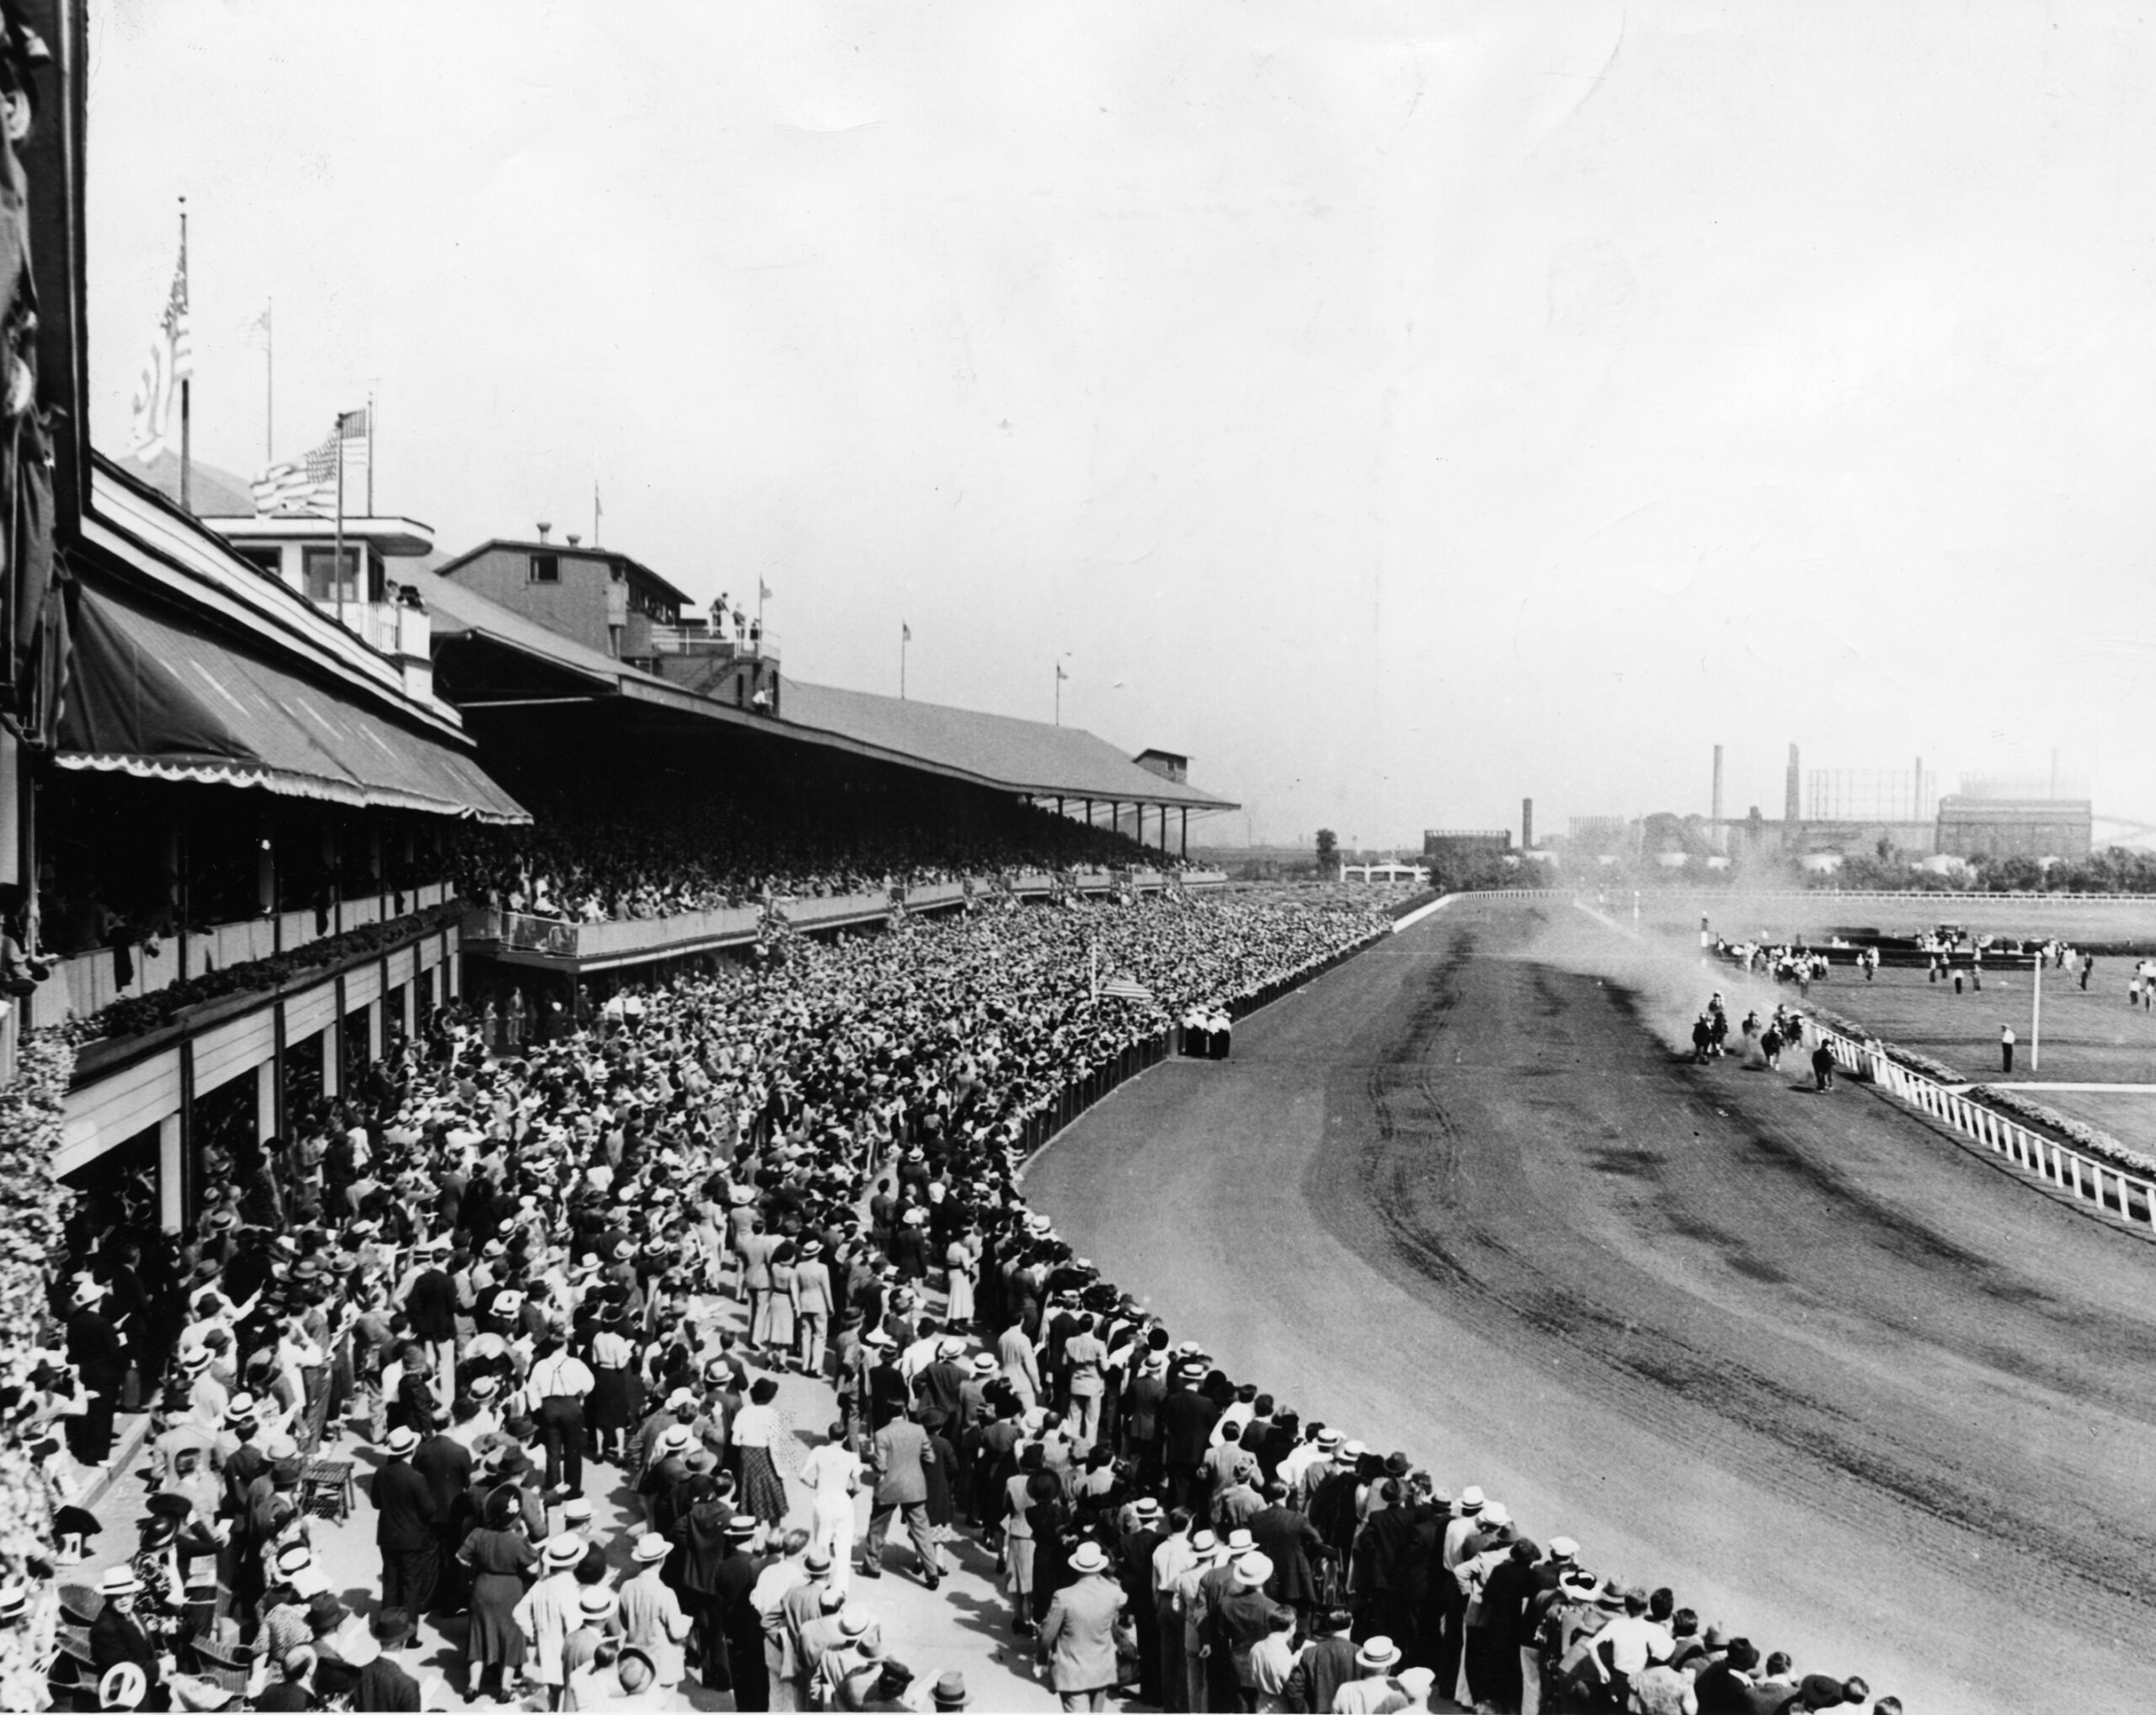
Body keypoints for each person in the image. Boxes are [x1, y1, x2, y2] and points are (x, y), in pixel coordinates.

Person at [1039, 1538, 1127, 1712]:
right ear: (1100, 1567)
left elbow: (1046, 1635)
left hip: (1072, 1671)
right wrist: (1103, 1578)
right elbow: (1123, 1598)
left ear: (1076, 1567)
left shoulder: (1063, 1597)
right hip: (1102, 1669)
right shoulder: (1113, 1594)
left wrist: (1042, 1659)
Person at [863, 1402, 941, 1588]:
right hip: (914, 1487)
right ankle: (932, 1573)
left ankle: (873, 1567)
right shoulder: (918, 1430)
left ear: (887, 1412)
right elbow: (930, 1458)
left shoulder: (881, 1434)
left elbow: (880, 1465)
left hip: (888, 1487)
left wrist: (871, 1460)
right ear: (904, 1411)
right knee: (921, 1531)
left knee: (877, 1527)